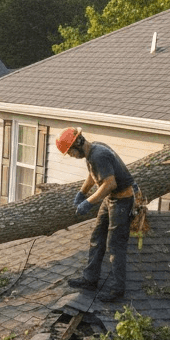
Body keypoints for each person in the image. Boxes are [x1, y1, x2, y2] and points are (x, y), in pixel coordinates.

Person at [56, 127, 136, 303]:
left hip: (122, 201)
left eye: (70, 152)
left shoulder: (98, 154)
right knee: (97, 238)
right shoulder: (93, 152)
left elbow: (109, 183)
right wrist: (82, 193)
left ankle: (117, 290)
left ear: (77, 143)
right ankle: (90, 279)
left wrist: (88, 203)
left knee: (115, 246)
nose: (71, 156)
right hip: (110, 200)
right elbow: (94, 175)